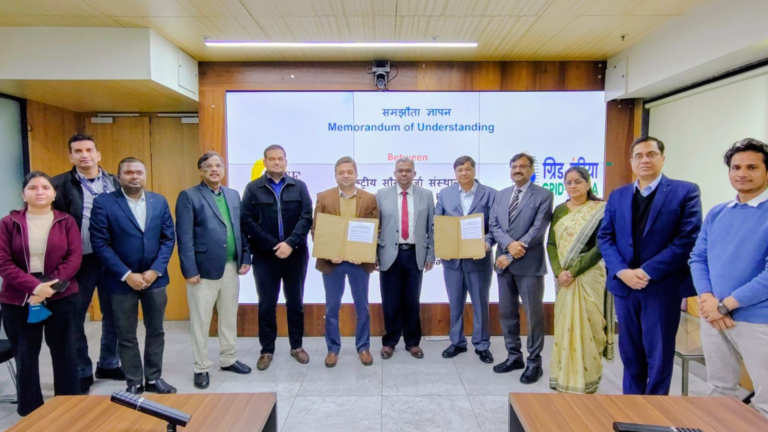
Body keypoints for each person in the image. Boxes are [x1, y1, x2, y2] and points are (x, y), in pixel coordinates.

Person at [598, 136, 702, 395]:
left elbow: (686, 239)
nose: (645, 160)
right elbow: (605, 236)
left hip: (661, 287)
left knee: (659, 355)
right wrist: (622, 271)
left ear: (662, 158)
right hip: (625, 287)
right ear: (631, 161)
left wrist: (646, 272)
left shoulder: (685, 191)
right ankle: (632, 407)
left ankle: (655, 413)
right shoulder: (618, 195)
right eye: (639, 155)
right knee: (630, 354)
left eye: (651, 154)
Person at [690, 138, 768, 418]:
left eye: (752, 167)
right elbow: (698, 258)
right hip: (713, 316)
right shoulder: (718, 213)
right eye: (736, 167)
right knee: (719, 390)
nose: (742, 173)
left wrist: (726, 305)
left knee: (765, 401)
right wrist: (709, 300)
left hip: (757, 319)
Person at [89, 157, 177, 395]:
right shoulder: (104, 203)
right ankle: (134, 380)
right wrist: (127, 274)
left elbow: (168, 239)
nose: (134, 176)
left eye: (139, 172)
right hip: (120, 281)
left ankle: (154, 378)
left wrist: (154, 270)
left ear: (145, 175)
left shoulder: (159, 201)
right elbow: (100, 243)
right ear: (119, 177)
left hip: (155, 279)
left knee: (156, 330)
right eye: (128, 172)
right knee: (126, 334)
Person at [0, 171, 82, 416]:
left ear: (53, 193)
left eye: (45, 187)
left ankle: (68, 405)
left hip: (61, 296)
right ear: (23, 194)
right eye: (33, 188)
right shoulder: (8, 223)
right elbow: (3, 263)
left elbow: (74, 259)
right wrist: (34, 288)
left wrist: (47, 288)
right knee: (25, 354)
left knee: (65, 352)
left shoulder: (66, 220)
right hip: (18, 298)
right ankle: (30, 410)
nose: (39, 192)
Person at [52, 133, 123, 394]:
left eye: (89, 150)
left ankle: (109, 363)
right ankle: (82, 370)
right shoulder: (58, 184)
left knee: (114, 314)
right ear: (71, 156)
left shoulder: (116, 183)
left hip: (113, 260)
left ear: (98, 155)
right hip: (78, 261)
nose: (84, 155)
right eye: (78, 151)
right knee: (75, 316)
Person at [176, 151, 253, 389]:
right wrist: (189, 269)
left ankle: (228, 359)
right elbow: (185, 236)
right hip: (202, 270)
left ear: (223, 170)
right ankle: (201, 367)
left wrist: (246, 256)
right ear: (200, 170)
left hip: (231, 265)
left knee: (229, 316)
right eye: (208, 166)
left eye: (218, 165)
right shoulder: (189, 196)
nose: (213, 169)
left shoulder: (232, 194)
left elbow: (241, 229)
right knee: (201, 321)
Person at [241, 145, 313, 371]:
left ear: (286, 162)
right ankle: (267, 350)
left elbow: (306, 217)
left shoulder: (299, 187)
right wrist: (274, 245)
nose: (276, 163)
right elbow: (247, 220)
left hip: (295, 254)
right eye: (272, 159)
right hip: (265, 256)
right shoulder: (253, 189)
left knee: (295, 302)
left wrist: (290, 244)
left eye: (280, 159)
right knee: (266, 304)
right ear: (264, 162)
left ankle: (297, 346)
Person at [547, 167, 614, 394]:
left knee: (589, 325)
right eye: (568, 182)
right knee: (565, 326)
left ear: (588, 184)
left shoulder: (600, 210)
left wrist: (573, 272)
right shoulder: (559, 210)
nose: (573, 186)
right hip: (563, 278)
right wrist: (558, 271)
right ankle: (564, 375)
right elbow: (552, 244)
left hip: (588, 276)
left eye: (578, 181)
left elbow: (600, 246)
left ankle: (587, 378)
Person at [489, 153, 554, 384]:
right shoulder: (501, 195)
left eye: (523, 167)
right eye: (514, 166)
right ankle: (514, 356)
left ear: (531, 169)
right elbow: (494, 225)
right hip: (503, 265)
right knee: (507, 314)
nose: (518, 170)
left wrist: (513, 252)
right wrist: (507, 248)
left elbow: (538, 230)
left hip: (529, 266)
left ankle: (534, 363)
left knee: (533, 316)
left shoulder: (544, 195)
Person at [312, 157, 379, 367]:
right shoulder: (324, 197)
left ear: (356, 174)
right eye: (341, 172)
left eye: (350, 172)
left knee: (363, 307)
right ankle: (333, 349)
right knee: (332, 308)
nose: (346, 175)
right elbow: (316, 230)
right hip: (333, 262)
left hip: (360, 262)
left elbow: (376, 229)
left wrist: (366, 252)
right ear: (335, 175)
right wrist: (329, 253)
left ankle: (364, 347)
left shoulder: (369, 199)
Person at [436, 156, 497, 363]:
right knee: (455, 303)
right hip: (452, 261)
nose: (464, 173)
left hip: (478, 259)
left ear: (474, 171)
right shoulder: (445, 194)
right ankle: (457, 342)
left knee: (480, 303)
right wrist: (441, 246)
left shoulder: (490, 194)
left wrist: (487, 244)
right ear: (455, 173)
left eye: (468, 169)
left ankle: (481, 345)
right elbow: (437, 224)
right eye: (460, 170)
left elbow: (495, 227)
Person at [377, 157, 435, 359]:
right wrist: (374, 254)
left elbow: (432, 228)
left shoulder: (426, 196)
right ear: (394, 174)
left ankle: (412, 342)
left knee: (412, 300)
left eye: (408, 171)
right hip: (389, 254)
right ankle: (390, 342)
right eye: (400, 170)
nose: (404, 174)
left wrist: (430, 254)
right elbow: (377, 227)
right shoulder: (381, 195)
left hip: (415, 254)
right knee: (390, 300)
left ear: (414, 174)